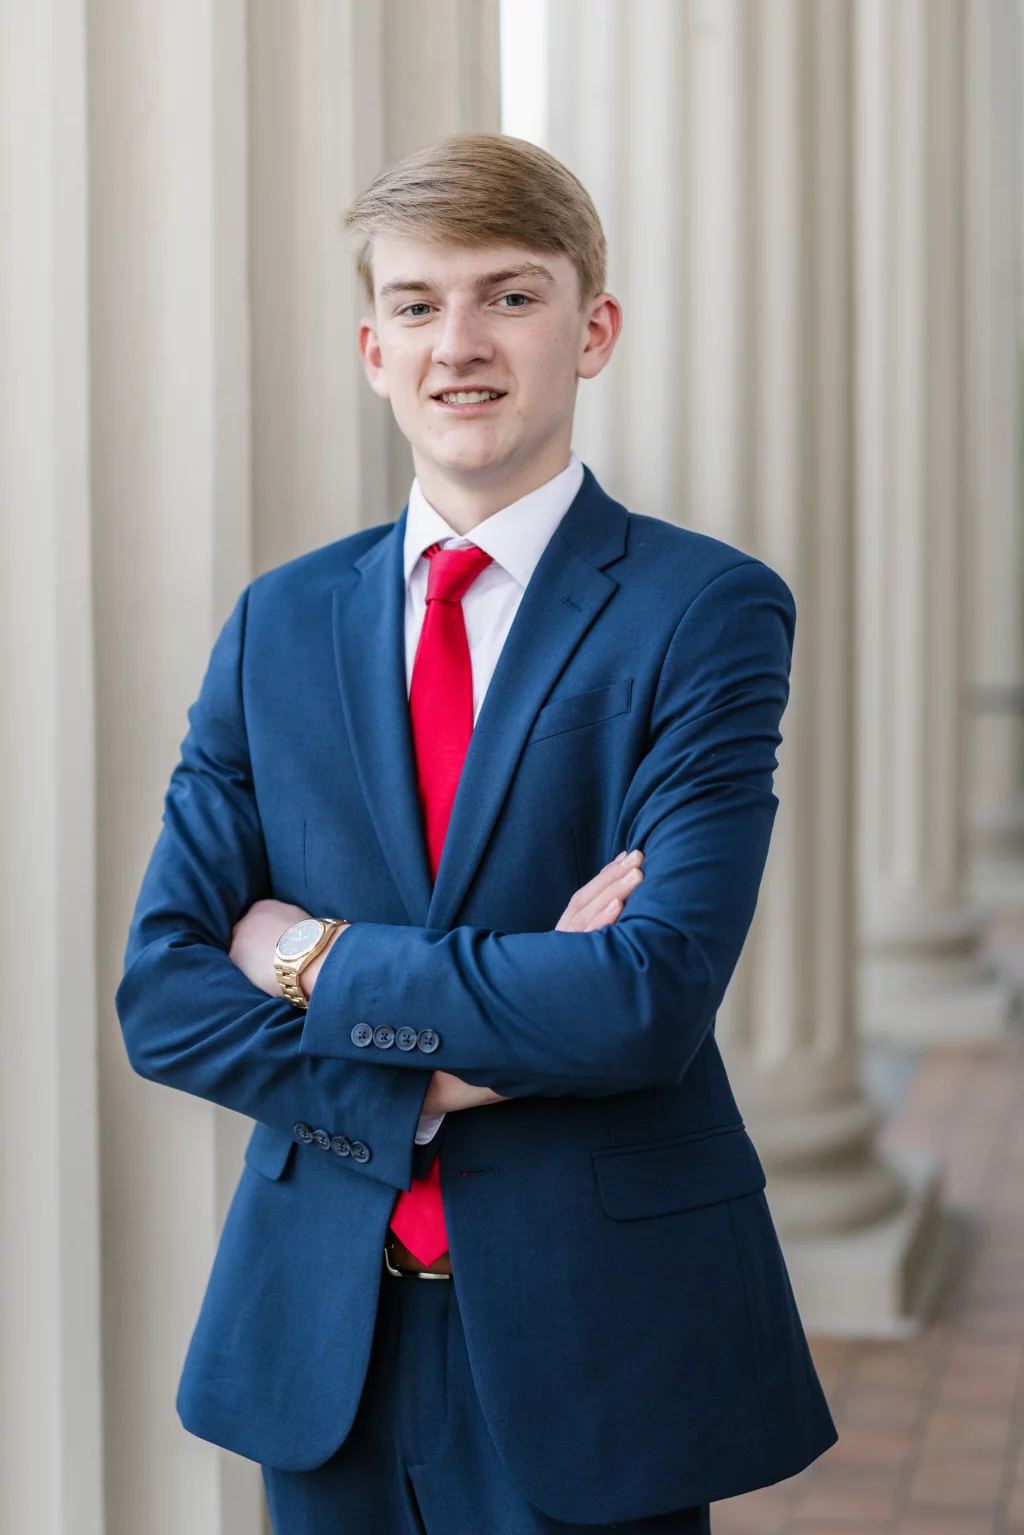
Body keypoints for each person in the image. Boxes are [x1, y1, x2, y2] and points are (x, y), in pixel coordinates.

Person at [116, 131, 836, 1535]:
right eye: (417, 304)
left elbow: (645, 999)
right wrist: (450, 1075)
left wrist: (311, 957)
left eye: (510, 295)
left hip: (598, 1334)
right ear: (374, 350)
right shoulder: (278, 622)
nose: (460, 344)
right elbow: (166, 995)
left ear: (593, 330)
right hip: (323, 1333)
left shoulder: (704, 610)